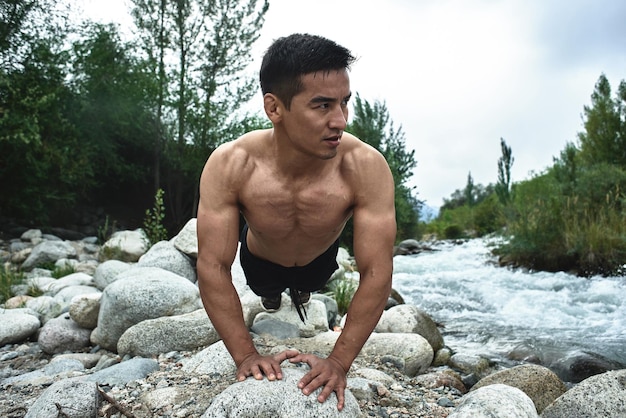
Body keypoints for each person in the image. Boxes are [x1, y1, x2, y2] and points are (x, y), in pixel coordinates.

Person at [196, 33, 396, 411]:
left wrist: (338, 362)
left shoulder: (365, 167)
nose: (340, 121)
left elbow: (377, 271)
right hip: (259, 258)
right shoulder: (232, 164)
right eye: (322, 105)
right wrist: (245, 356)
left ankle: (301, 292)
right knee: (268, 292)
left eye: (344, 103)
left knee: (306, 285)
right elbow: (212, 265)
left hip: (320, 262)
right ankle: (273, 295)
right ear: (275, 108)